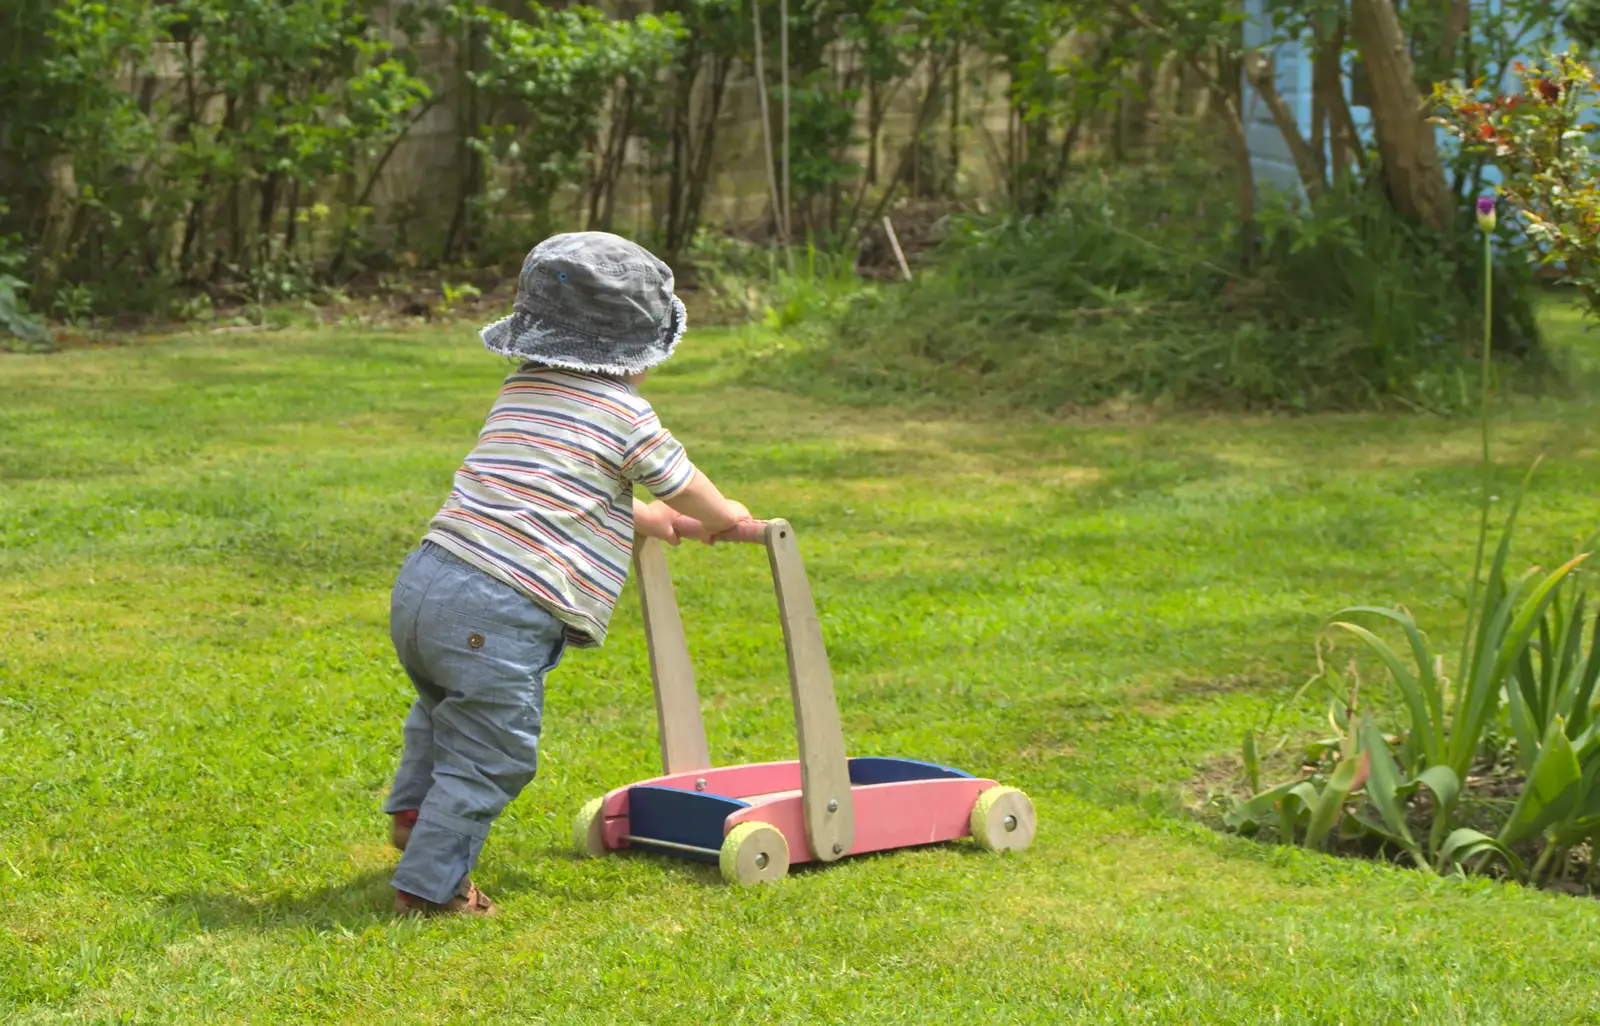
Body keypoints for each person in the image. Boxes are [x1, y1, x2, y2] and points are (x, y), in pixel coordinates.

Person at [383, 232, 752, 917]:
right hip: (499, 605)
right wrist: (724, 514)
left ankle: (414, 817)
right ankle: (431, 889)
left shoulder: (522, 387)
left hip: (427, 581)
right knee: (492, 753)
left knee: (442, 712)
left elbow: (557, 479)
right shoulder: (624, 412)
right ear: (638, 353)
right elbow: (683, 484)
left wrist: (643, 520)